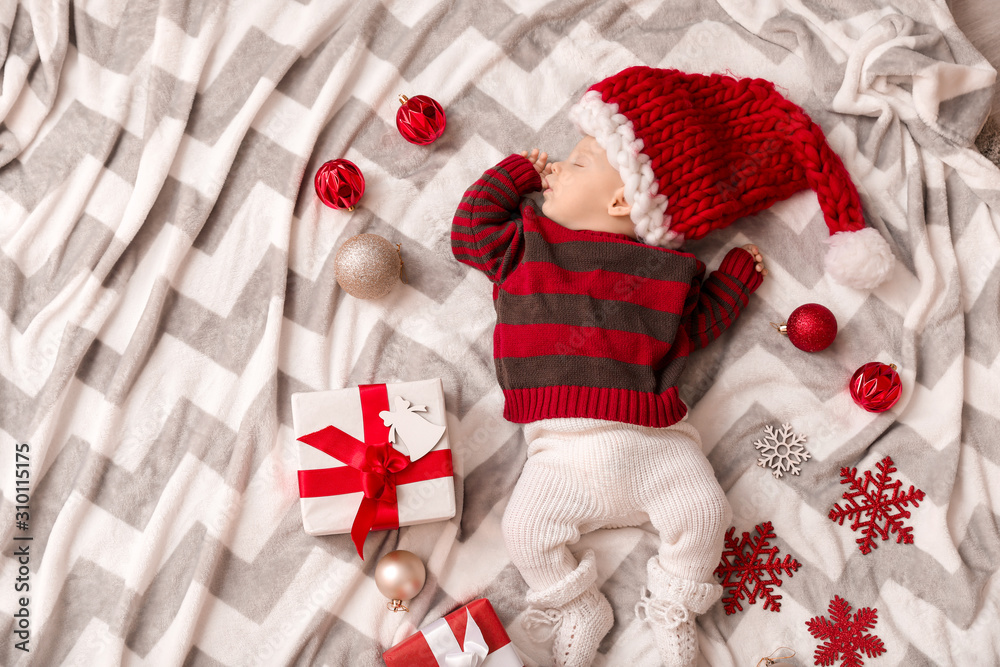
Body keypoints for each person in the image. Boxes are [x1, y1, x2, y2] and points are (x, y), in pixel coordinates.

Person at [452, 66, 891, 666]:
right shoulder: (527, 245)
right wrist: (515, 175)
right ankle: (579, 604)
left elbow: (693, 334)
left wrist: (733, 281)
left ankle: (673, 605)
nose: (553, 166)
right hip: (559, 448)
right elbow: (471, 233)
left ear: (620, 199)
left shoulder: (665, 272)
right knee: (525, 531)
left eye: (576, 162)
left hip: (655, 443)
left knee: (706, 513)